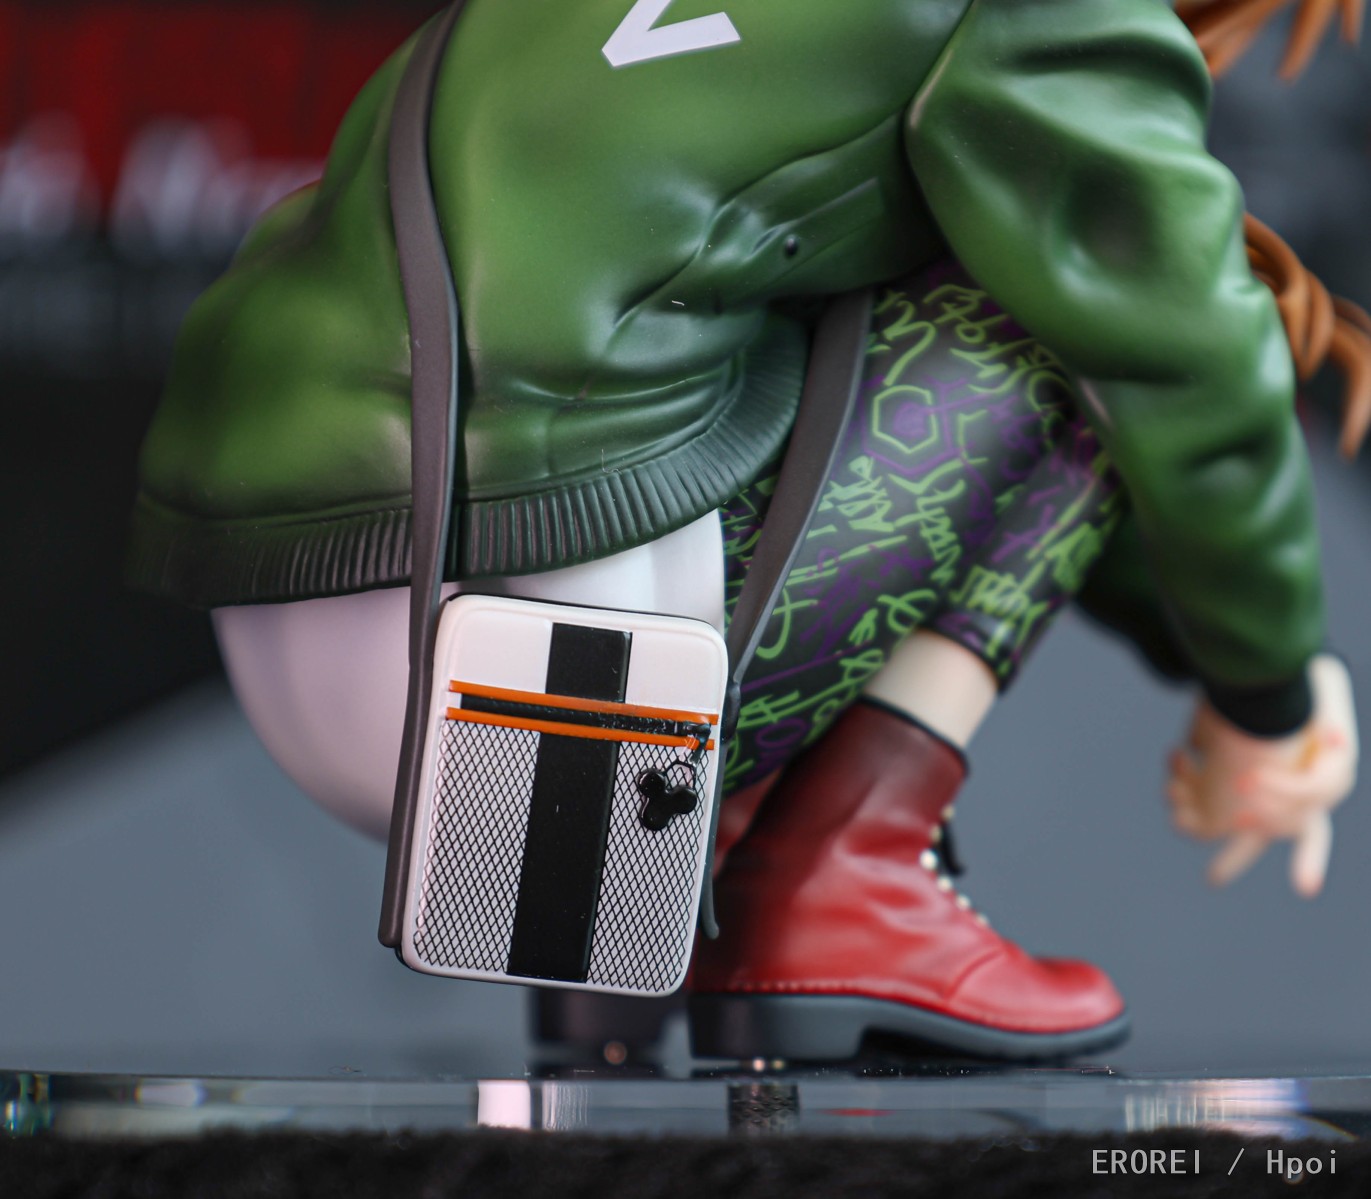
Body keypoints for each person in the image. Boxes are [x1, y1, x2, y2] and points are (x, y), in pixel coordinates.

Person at [130, 0, 1365, 1059]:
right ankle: (837, 874)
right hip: (548, 724)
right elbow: (1176, 352)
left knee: (814, 283)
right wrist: (1267, 691)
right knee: (1078, 308)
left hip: (302, 663)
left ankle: (656, 907)